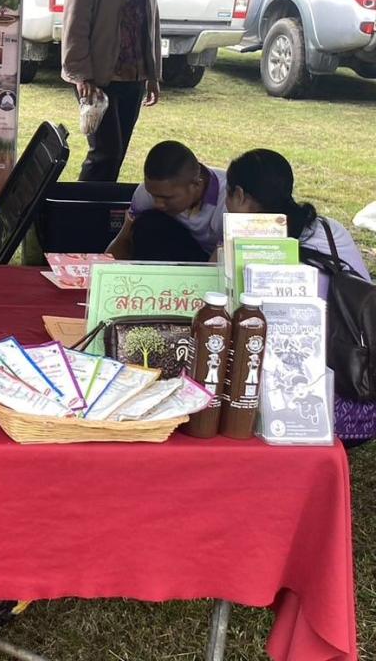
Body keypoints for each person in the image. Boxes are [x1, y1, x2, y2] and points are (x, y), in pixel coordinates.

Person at [226, 148, 374, 447]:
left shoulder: (245, 244)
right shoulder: (330, 230)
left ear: (239, 195)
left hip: (296, 411)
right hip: (362, 397)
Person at [61, 0, 162, 182]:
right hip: (99, 78)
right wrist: (82, 77)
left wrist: (153, 74)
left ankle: (100, 206)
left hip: (134, 77)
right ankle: (84, 207)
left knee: (116, 154)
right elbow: (76, 25)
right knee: (105, 153)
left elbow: (151, 21)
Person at [106, 141, 225, 261]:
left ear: (196, 185)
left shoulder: (228, 200)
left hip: (219, 260)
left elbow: (228, 260)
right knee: (147, 224)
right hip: (180, 252)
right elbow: (124, 239)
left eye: (167, 198)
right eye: (153, 195)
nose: (158, 204)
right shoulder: (146, 193)